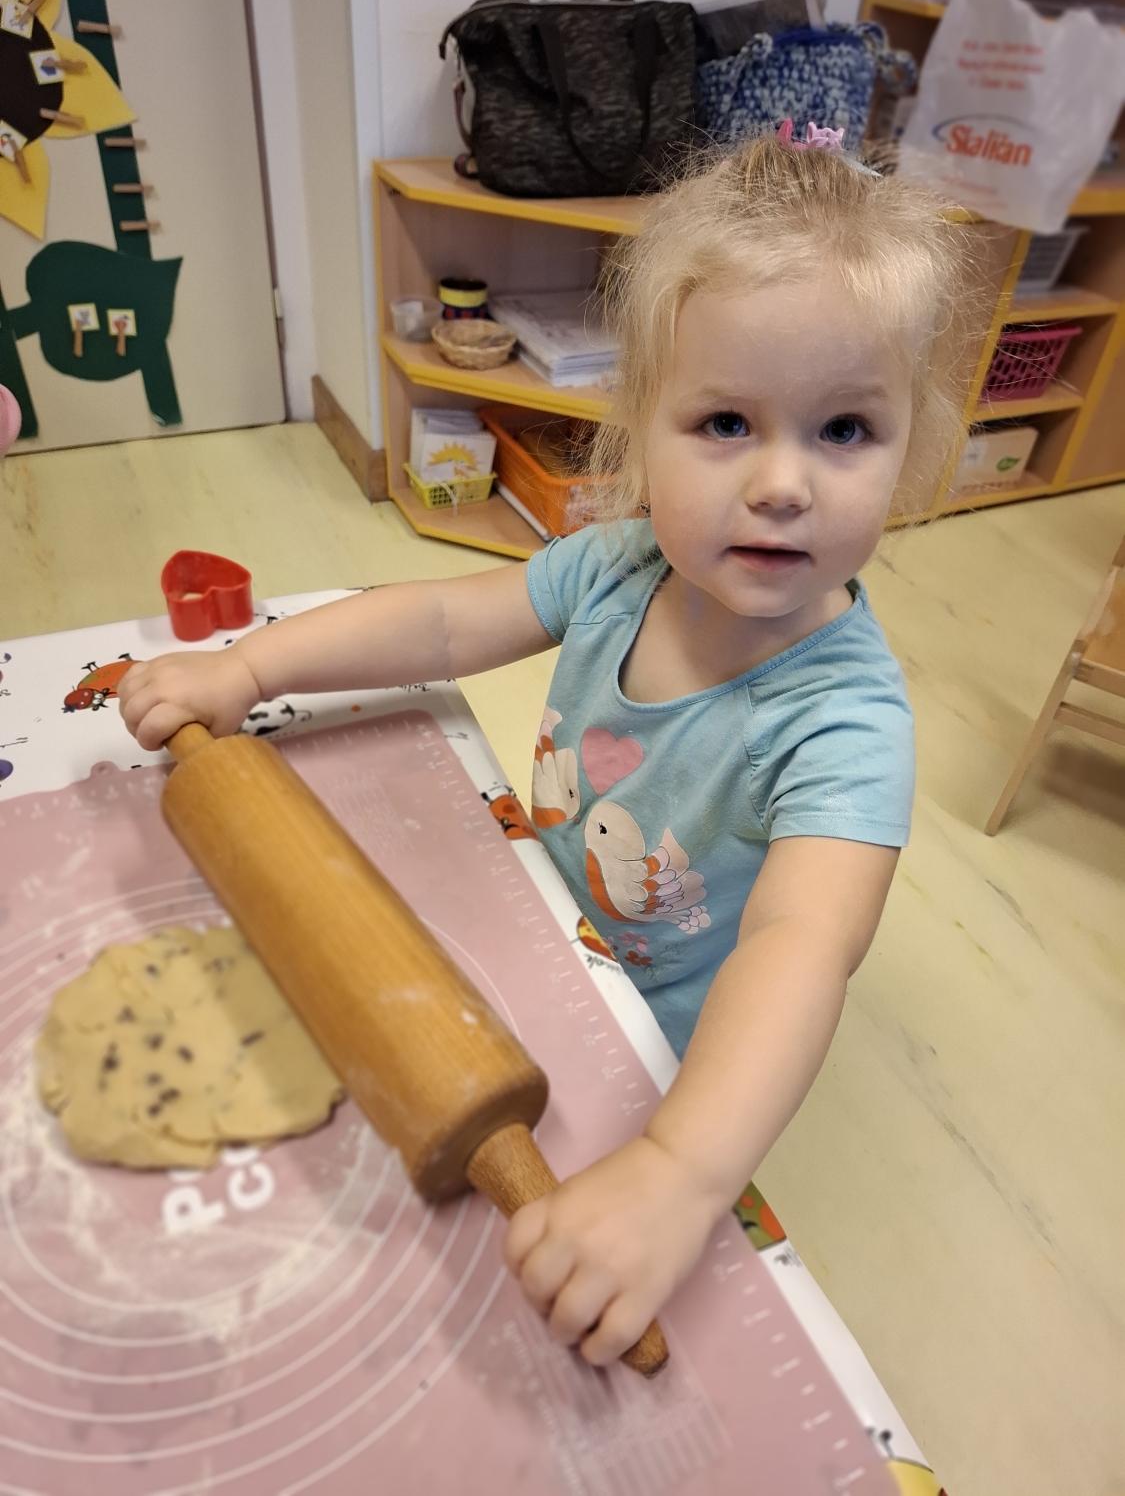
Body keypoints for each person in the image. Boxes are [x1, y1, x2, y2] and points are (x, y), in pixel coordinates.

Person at [118, 134, 978, 1368]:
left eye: (845, 428)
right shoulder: (622, 566)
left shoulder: (847, 724)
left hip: (657, 1046)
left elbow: (799, 947)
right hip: (529, 916)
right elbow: (440, 621)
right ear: (641, 422)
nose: (784, 482)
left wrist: (679, 1173)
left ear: (913, 443)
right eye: (726, 422)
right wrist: (251, 668)